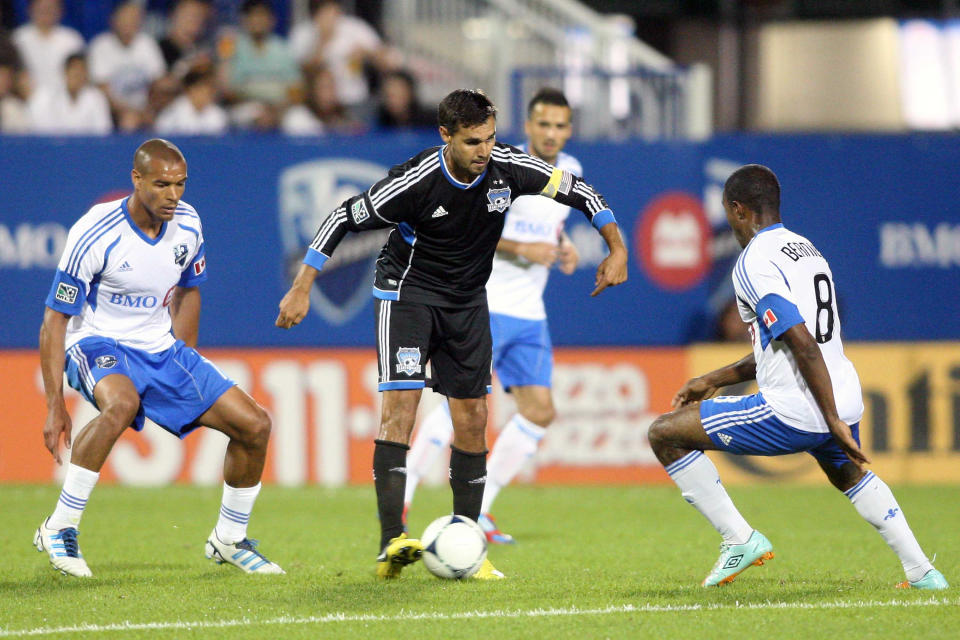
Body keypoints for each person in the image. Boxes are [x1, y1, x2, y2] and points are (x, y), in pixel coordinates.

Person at [276, 89, 627, 580]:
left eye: (488, 138)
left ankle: (467, 540)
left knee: (473, 417)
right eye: (471, 142)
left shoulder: (508, 167)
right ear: (446, 136)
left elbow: (583, 193)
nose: (483, 151)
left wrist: (617, 247)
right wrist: (302, 285)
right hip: (407, 294)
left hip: (467, 301)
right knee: (401, 409)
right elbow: (340, 217)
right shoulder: (415, 181)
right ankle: (391, 541)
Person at [646, 164, 948, 590]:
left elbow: (801, 341)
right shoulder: (806, 249)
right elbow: (785, 345)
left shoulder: (753, 262)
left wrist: (831, 421)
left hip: (797, 409)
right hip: (841, 393)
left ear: (738, 210)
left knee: (665, 434)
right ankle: (923, 572)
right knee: (850, 475)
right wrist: (713, 377)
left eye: (728, 215)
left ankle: (739, 539)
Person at [35, 139, 283, 578]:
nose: (173, 195)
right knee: (122, 405)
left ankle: (229, 539)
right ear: (136, 180)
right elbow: (54, 322)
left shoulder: (188, 224)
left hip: (160, 348)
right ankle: (60, 526)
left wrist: (185, 356)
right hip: (95, 341)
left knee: (255, 425)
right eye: (162, 184)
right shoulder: (95, 232)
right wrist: (55, 404)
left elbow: (189, 289)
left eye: (181, 184)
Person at [403, 88, 582, 544]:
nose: (551, 133)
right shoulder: (498, 165)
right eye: (544, 124)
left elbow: (547, 226)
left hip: (529, 313)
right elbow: (465, 224)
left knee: (539, 412)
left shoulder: (571, 172)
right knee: (459, 408)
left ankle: (480, 510)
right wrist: (523, 248)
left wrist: (562, 248)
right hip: (483, 301)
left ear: (569, 130)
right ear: (528, 126)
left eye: (560, 125)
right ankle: (401, 497)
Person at [289, 0, 394, 118]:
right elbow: (300, 73)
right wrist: (322, 42)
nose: (331, 16)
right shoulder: (302, 33)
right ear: (314, 13)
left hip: (354, 99)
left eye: (333, 10)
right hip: (317, 104)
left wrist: (367, 53)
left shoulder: (355, 27)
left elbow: (387, 62)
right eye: (325, 11)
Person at [87, 1, 166, 131]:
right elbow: (103, 92)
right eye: (125, 18)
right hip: (113, 111)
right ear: (114, 20)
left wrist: (149, 110)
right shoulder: (101, 45)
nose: (129, 23)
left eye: (134, 18)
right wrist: (130, 112)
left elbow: (158, 83)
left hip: (145, 108)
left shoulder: (147, 44)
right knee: (129, 121)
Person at [28, 52, 112, 135]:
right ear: (65, 72)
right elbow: (41, 130)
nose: (78, 74)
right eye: (74, 69)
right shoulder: (46, 97)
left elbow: (103, 132)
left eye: (82, 70)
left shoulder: (97, 98)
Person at [11, 0, 83, 94]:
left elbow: (79, 74)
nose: (46, 11)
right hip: (27, 99)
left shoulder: (72, 39)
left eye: (50, 8)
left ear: (60, 11)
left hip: (64, 99)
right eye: (41, 8)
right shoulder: (18, 39)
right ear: (30, 10)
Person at [154, 66, 228, 135]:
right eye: (202, 89)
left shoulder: (217, 114)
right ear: (191, 89)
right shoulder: (173, 112)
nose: (206, 94)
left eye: (209, 90)